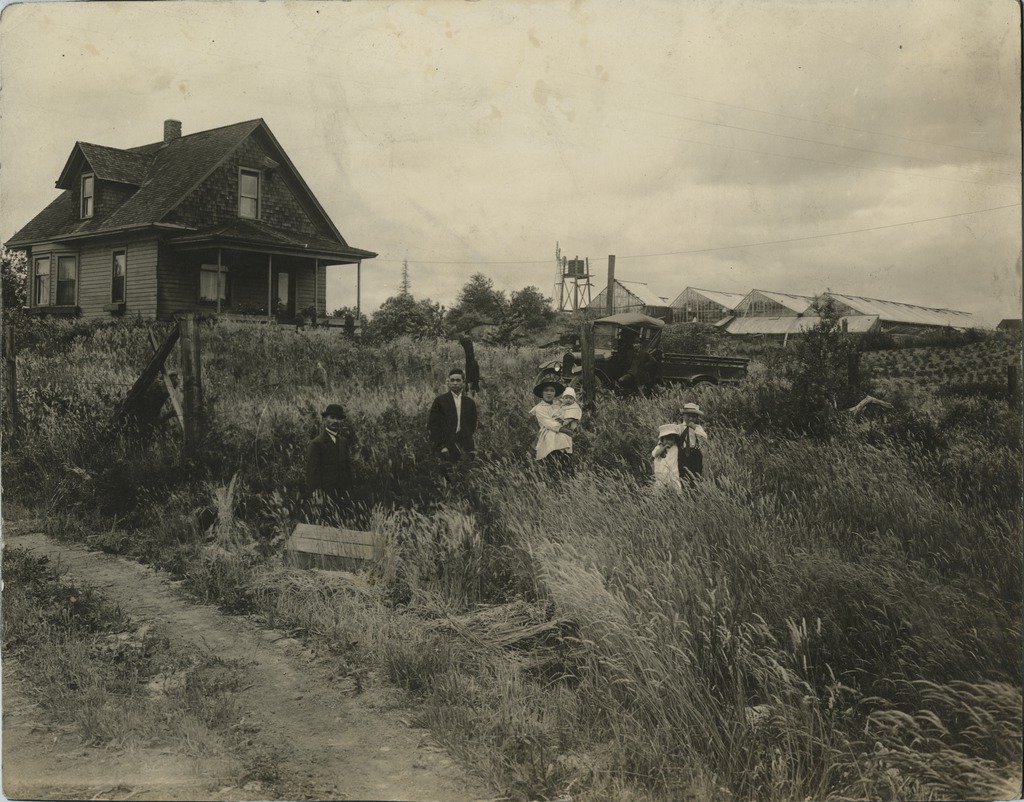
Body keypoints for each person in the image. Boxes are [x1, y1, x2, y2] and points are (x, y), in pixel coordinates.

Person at [427, 368, 478, 473]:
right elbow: (433, 425)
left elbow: (472, 424)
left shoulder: (469, 403)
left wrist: (466, 439)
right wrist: (441, 446)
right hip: (446, 446)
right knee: (447, 474)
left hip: (464, 445)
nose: (455, 383)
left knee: (465, 474)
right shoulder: (440, 401)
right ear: (448, 382)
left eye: (458, 380)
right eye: (452, 380)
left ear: (463, 383)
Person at [305, 403, 355, 507]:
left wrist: (350, 493)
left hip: (344, 496)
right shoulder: (316, 443)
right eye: (332, 417)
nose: (335, 421)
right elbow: (312, 472)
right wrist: (317, 494)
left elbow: (347, 468)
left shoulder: (343, 442)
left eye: (338, 418)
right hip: (326, 496)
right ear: (325, 419)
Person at [530, 379, 575, 473]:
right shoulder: (540, 408)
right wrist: (564, 429)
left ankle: (566, 466)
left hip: (562, 430)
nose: (549, 393)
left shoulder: (559, 404)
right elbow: (549, 423)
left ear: (555, 393)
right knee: (553, 438)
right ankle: (552, 465)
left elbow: (568, 413)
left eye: (552, 391)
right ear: (542, 393)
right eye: (546, 391)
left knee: (565, 439)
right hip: (547, 432)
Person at [677, 402, 708, 485]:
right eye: (688, 416)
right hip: (682, 453)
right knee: (682, 473)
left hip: (695, 453)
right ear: (683, 416)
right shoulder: (679, 427)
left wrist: (694, 427)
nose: (690, 418)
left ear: (697, 418)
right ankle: (684, 490)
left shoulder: (698, 428)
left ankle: (695, 489)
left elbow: (704, 436)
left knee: (696, 474)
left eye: (693, 416)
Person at [651, 423, 683, 496]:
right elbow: (654, 454)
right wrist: (664, 448)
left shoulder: (675, 448)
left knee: (675, 494)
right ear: (662, 439)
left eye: (671, 439)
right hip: (661, 476)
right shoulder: (658, 448)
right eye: (666, 439)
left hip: (673, 476)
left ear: (675, 440)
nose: (669, 441)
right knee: (659, 494)